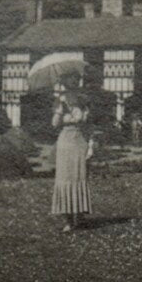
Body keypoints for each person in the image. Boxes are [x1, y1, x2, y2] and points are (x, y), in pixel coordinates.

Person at [51, 72, 93, 232]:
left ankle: (80, 217)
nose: (74, 80)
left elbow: (90, 127)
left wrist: (91, 145)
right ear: (64, 81)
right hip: (65, 142)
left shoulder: (84, 99)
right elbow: (54, 124)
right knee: (65, 178)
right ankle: (68, 220)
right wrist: (60, 109)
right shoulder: (59, 100)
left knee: (80, 177)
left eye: (76, 78)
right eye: (70, 78)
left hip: (80, 141)